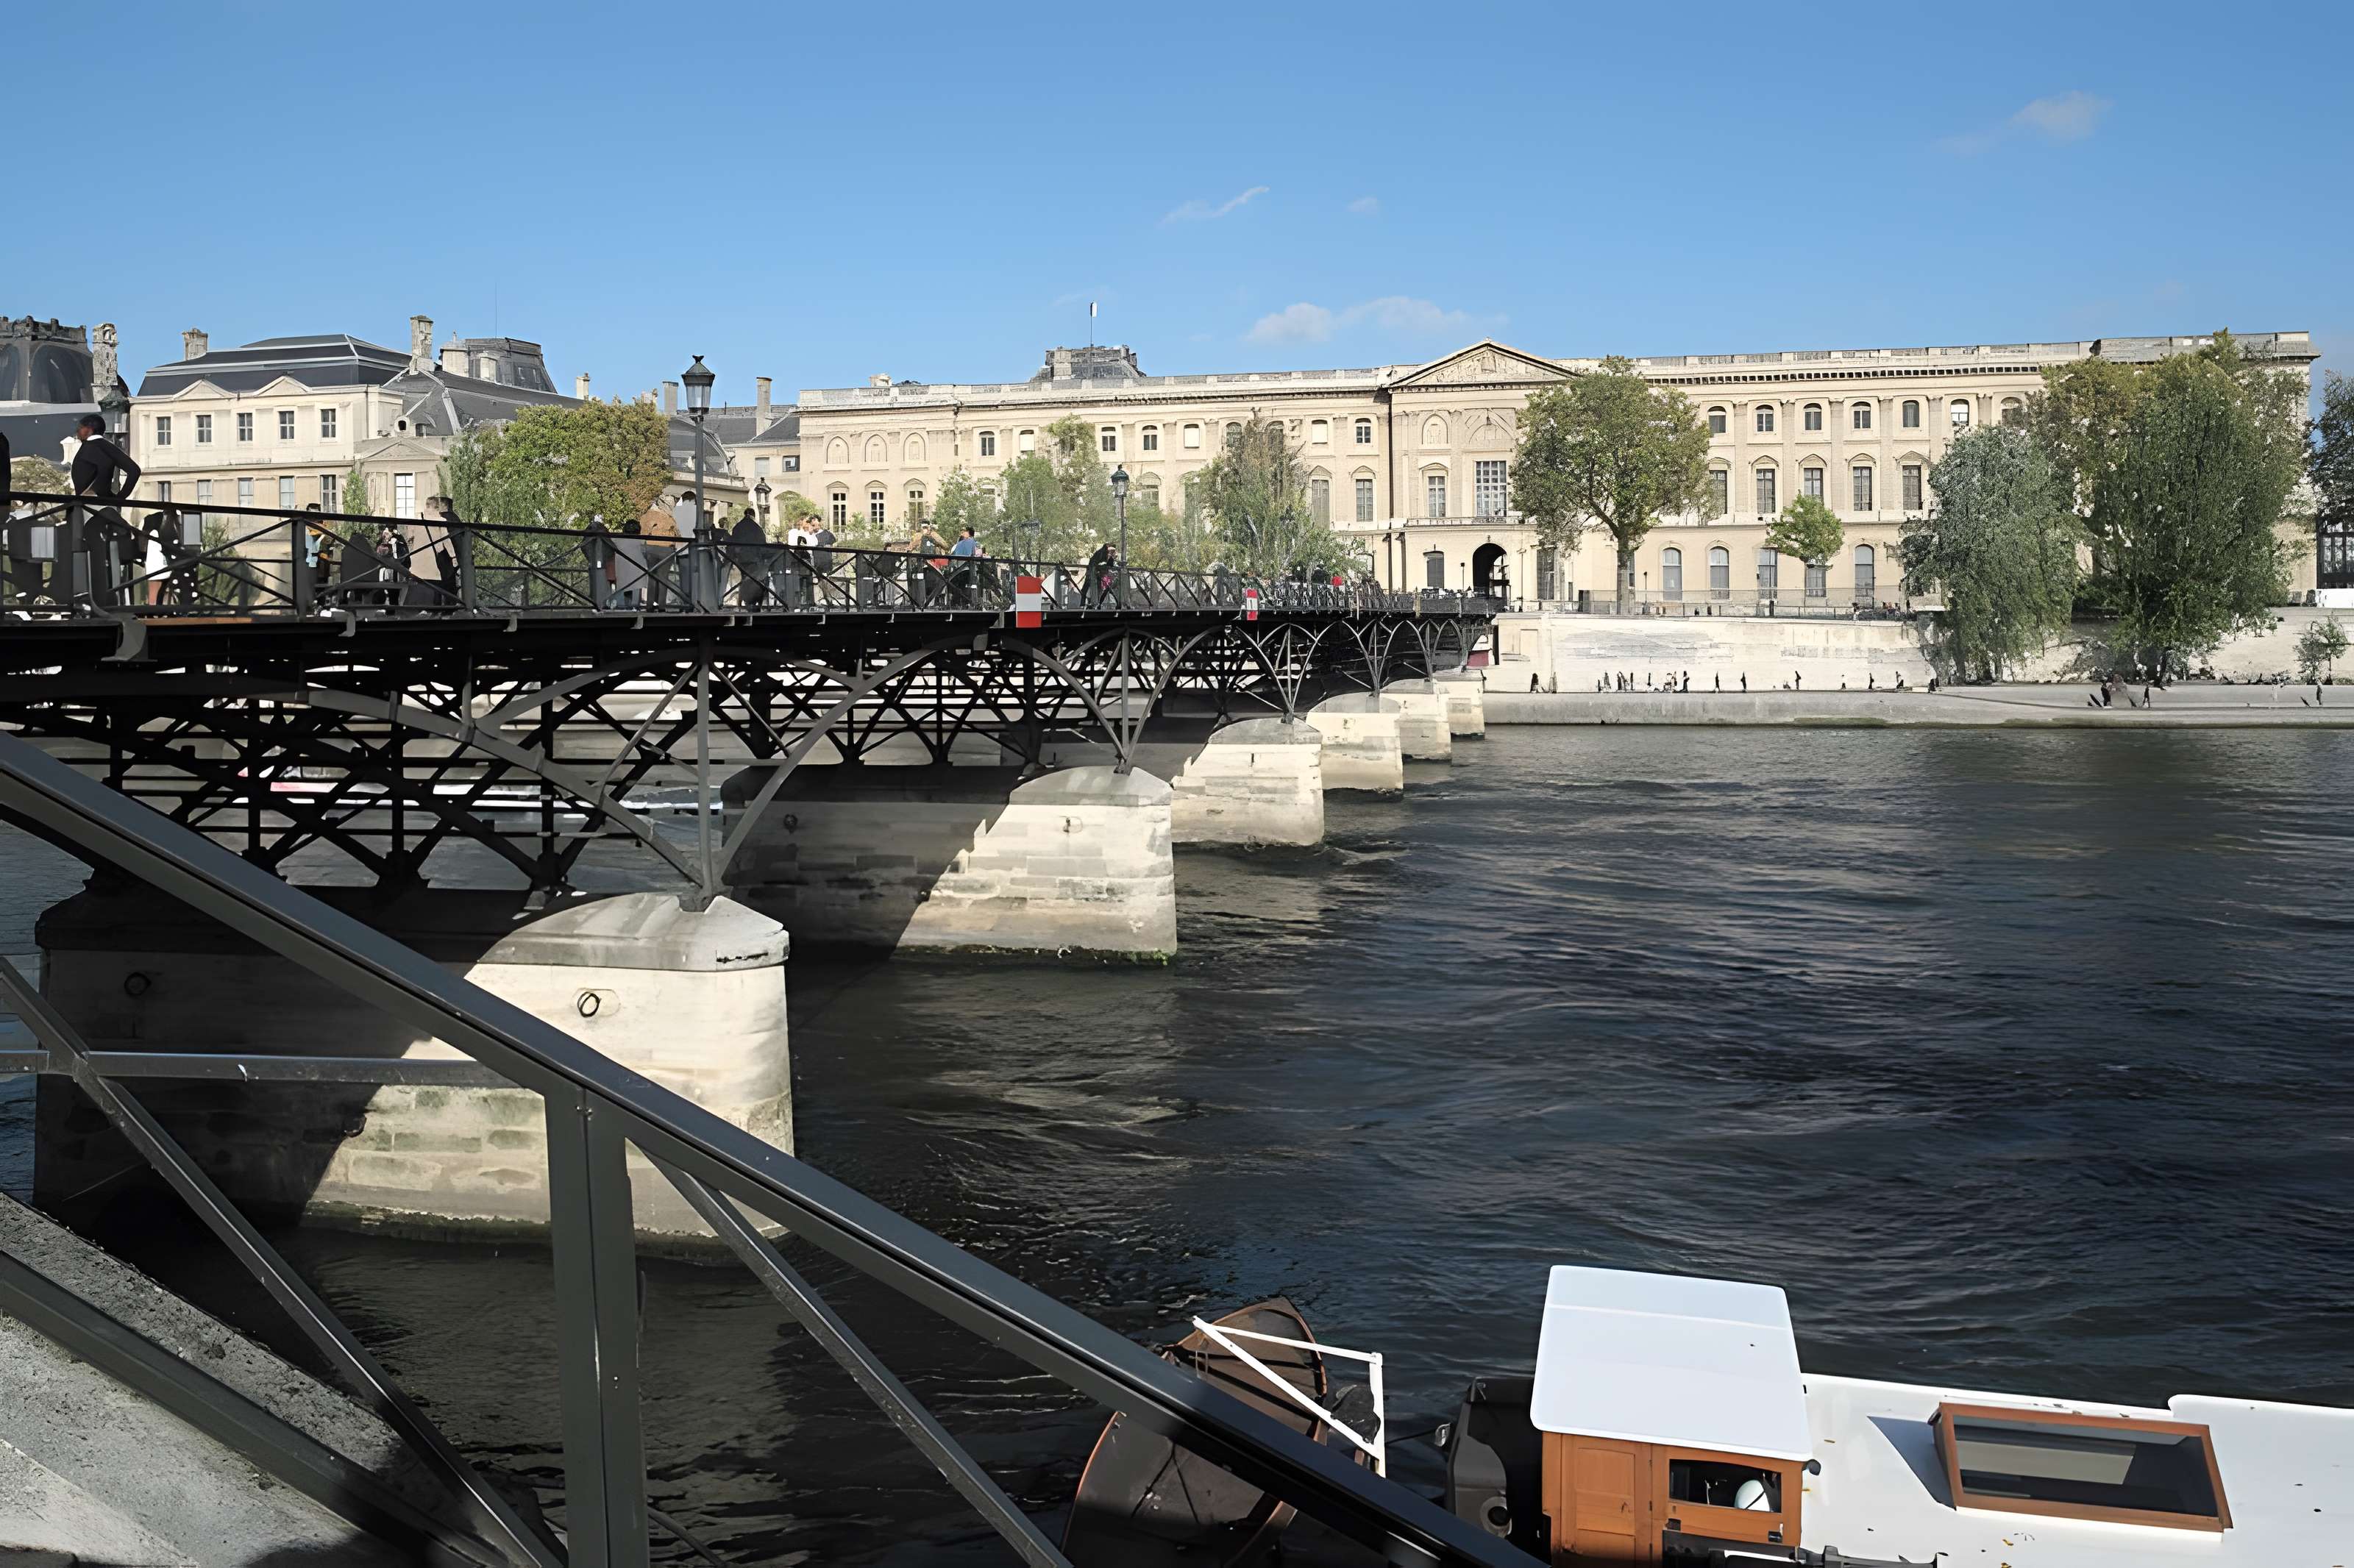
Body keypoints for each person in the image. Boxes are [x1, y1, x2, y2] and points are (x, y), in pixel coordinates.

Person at [68, 413, 141, 611]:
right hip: (106, 507)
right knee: (109, 554)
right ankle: (113, 600)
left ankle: (93, 602)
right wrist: (119, 498)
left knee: (91, 554)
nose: (78, 431)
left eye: (80, 427)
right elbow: (134, 471)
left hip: (89, 509)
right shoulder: (108, 447)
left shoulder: (89, 448)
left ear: (88, 429)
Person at [730, 506, 767, 608]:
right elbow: (762, 543)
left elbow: (733, 542)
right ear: (753, 515)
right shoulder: (757, 528)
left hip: (741, 558)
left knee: (745, 579)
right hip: (754, 558)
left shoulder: (738, 527)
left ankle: (744, 601)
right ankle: (751, 602)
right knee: (753, 580)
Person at [581, 514, 614, 610]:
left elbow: (611, 548)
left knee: (600, 586)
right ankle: (599, 605)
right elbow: (611, 547)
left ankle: (600, 605)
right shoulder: (598, 531)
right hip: (597, 564)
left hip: (600, 564)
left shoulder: (595, 532)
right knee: (599, 586)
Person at [947, 524, 981, 607]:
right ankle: (971, 602)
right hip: (968, 569)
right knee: (973, 584)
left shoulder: (959, 544)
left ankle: (957, 603)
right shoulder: (972, 542)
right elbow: (973, 555)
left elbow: (952, 556)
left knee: (959, 586)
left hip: (958, 570)